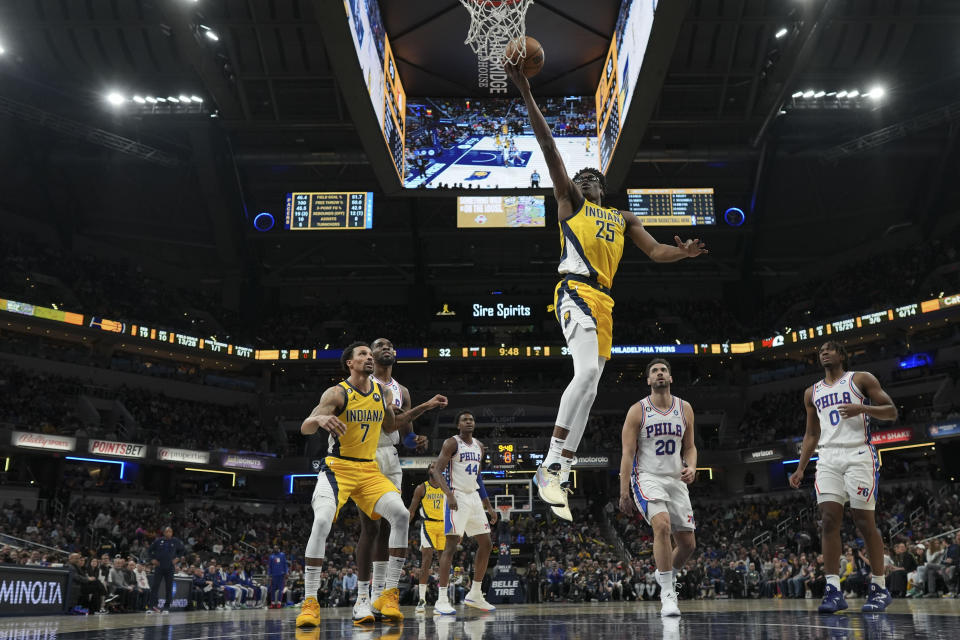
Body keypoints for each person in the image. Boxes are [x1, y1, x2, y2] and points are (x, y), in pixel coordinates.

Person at [504, 62, 708, 521]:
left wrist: (686, 253)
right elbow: (550, 149)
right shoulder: (570, 205)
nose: (587, 178)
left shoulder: (622, 218)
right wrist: (526, 92)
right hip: (574, 291)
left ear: (605, 187)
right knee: (584, 373)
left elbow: (656, 253)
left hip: (604, 302)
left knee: (593, 384)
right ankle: (552, 461)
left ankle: (559, 465)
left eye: (594, 177)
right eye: (581, 177)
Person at [296, 342, 410, 627]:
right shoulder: (336, 392)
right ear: (349, 363)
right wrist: (320, 418)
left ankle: (381, 597)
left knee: (401, 515)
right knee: (321, 521)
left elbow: (391, 427)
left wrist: (414, 415)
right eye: (363, 355)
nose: (369, 358)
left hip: (369, 470)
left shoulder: (382, 392)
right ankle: (310, 602)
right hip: (339, 468)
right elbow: (305, 427)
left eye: (371, 356)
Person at [790, 341, 898, 613]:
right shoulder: (811, 392)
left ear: (841, 355)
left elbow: (891, 411)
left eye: (829, 349)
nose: (823, 352)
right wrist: (801, 467)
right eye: (820, 351)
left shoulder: (861, 379)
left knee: (863, 521)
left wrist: (863, 409)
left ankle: (879, 586)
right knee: (828, 521)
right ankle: (833, 590)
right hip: (827, 457)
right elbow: (811, 434)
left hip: (858, 453)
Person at [357, 337, 446, 619]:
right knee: (370, 528)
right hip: (364, 455)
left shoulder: (402, 391)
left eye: (391, 345)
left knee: (391, 525)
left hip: (390, 456)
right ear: (370, 354)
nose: (387, 348)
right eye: (380, 345)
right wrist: (427, 406)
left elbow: (404, 433)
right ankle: (362, 599)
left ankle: (382, 597)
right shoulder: (362, 384)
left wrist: (415, 439)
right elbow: (385, 421)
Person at [618, 359, 698, 617]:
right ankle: (667, 594)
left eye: (664, 370)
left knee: (687, 545)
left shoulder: (684, 408)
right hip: (647, 476)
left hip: (675, 479)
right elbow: (628, 454)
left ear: (670, 378)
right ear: (649, 380)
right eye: (654, 371)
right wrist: (623, 491)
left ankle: (665, 572)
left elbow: (690, 447)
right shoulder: (637, 411)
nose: (660, 373)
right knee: (662, 525)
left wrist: (692, 466)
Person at [430, 410, 499, 614]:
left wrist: (488, 505)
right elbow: (437, 470)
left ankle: (475, 594)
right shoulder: (451, 443)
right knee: (450, 546)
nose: (469, 422)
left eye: (471, 419)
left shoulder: (479, 446)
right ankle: (441, 599)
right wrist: (449, 495)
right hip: (457, 496)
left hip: (474, 497)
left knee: (486, 543)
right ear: (458, 425)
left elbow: (478, 478)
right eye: (464, 420)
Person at [408, 463, 453, 613]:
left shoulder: (446, 487)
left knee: (444, 562)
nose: (435, 468)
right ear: (428, 471)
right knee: (426, 560)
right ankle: (422, 599)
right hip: (428, 525)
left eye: (437, 466)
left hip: (444, 526)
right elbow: (412, 511)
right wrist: (403, 527)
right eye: (432, 466)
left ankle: (442, 598)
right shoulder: (421, 488)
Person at [147, 526, 185, 614]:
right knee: (155, 586)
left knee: (169, 587)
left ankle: (166, 607)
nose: (168, 533)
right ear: (164, 533)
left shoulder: (175, 541)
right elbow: (149, 550)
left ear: (172, 533)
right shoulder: (158, 541)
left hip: (170, 567)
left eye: (170, 531)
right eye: (167, 531)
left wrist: (178, 558)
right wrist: (152, 559)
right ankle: (152, 607)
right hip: (159, 566)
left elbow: (182, 550)